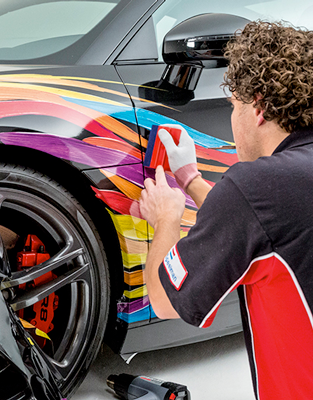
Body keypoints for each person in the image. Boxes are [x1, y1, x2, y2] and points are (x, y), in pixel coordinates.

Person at [140, 21, 313, 400]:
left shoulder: (256, 186)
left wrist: (166, 217)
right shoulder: (276, 190)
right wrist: (189, 180)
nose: (232, 120)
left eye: (234, 106)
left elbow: (164, 301)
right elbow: (262, 229)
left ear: (259, 108)